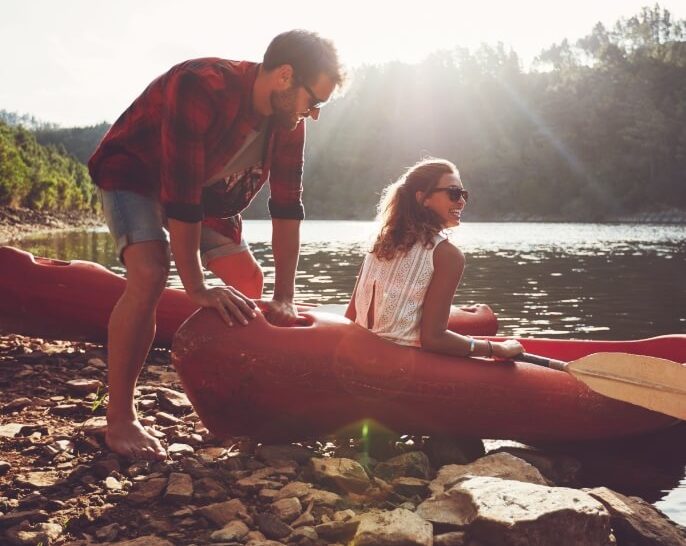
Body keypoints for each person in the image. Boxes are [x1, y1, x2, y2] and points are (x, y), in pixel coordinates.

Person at [88, 30, 345, 460]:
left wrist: (285, 296)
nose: (313, 114)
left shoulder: (289, 123)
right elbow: (180, 198)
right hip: (135, 174)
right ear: (285, 76)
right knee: (151, 273)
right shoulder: (201, 85)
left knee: (249, 279)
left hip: (205, 193)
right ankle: (121, 419)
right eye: (313, 101)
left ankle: (238, 391)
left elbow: (286, 208)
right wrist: (197, 287)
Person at [345, 158, 523, 359]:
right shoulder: (447, 255)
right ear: (423, 198)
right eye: (454, 193)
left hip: (360, 354)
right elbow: (434, 339)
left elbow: (350, 319)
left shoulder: (380, 244)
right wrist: (495, 348)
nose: (462, 201)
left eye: (463, 194)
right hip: (402, 365)